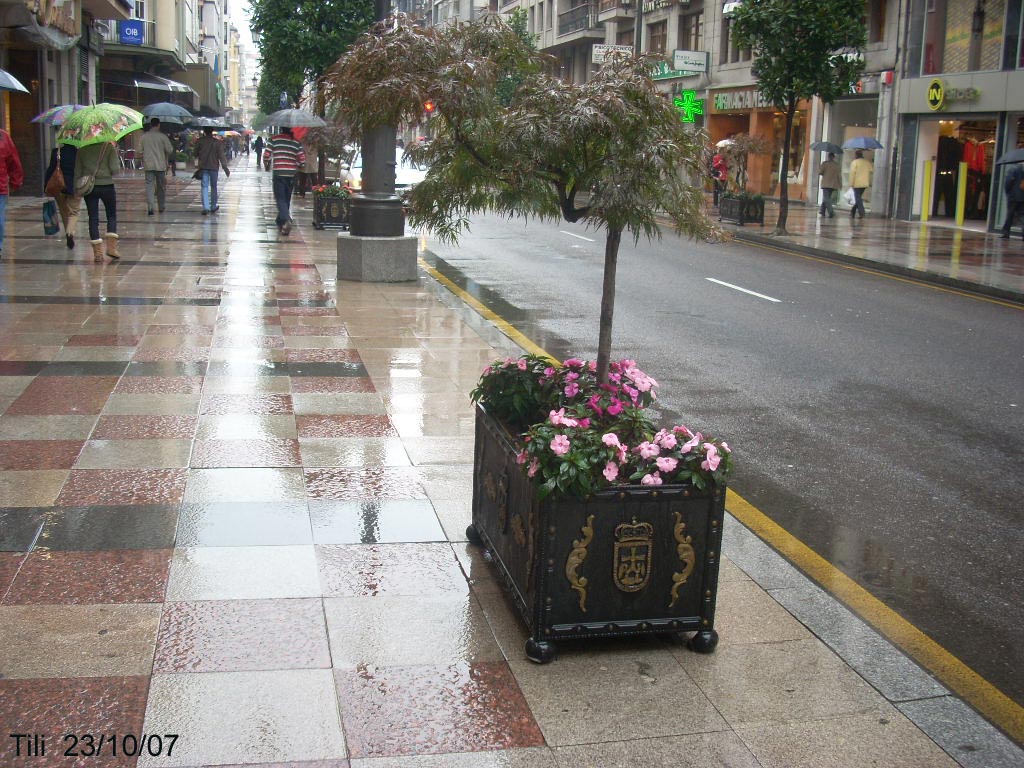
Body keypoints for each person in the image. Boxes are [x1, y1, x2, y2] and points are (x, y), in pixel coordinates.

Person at [75, 140, 121, 261]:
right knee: (111, 216)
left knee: (93, 218)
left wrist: (77, 190)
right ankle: (111, 248)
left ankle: (98, 254)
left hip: (90, 188)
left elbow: (77, 173)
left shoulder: (82, 150)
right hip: (107, 186)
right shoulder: (108, 148)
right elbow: (115, 169)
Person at [268, 126, 304, 235]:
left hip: (279, 174)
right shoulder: (296, 142)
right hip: (291, 175)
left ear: (281, 128)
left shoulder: (274, 139)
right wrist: (296, 165)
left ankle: (286, 219)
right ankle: (281, 222)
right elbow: (302, 161)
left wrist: (267, 163)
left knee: (280, 199)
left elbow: (266, 155)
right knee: (286, 199)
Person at [44, 136, 79, 248]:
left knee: (64, 212)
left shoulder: (56, 152)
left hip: (59, 187)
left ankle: (68, 234)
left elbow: (50, 169)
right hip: (74, 187)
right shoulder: (78, 153)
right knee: (73, 212)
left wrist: (46, 186)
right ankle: (70, 232)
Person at [140, 118, 176, 215]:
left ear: (151, 125)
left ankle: (150, 207)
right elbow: (170, 150)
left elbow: (140, 150)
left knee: (149, 186)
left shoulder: (144, 137)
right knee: (161, 187)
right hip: (160, 166)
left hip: (148, 165)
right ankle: (161, 206)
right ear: (158, 125)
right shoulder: (163, 137)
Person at [195, 127, 230, 215]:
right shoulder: (217, 142)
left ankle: (206, 207)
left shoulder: (200, 141)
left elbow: (195, 153)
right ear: (212, 132)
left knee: (204, 186)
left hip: (203, 166)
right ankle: (213, 206)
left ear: (204, 132)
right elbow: (221, 156)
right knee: (214, 187)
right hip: (214, 167)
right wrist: (225, 168)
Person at [0, 128, 23, 258]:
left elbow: (14, 162)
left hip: (0, 188)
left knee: (0, 222)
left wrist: (15, 181)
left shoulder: (4, 137)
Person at [1000, 162, 1024, 240]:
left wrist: (1008, 192)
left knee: (1010, 214)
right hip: (1022, 196)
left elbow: (1008, 181)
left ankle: (1006, 233)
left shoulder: (1013, 168)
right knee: (1022, 215)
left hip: (1013, 196)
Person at [849, 150, 872, 219]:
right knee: (858, 198)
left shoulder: (854, 162)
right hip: (865, 183)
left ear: (856, 155)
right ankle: (853, 211)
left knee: (858, 198)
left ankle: (862, 213)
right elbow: (871, 170)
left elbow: (852, 174)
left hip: (857, 183)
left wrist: (851, 184)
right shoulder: (867, 162)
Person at [818, 152, 841, 219]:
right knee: (827, 198)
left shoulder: (825, 164)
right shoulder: (836, 165)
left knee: (826, 198)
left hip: (826, 184)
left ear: (828, 157)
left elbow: (820, 172)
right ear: (833, 157)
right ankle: (822, 211)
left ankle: (831, 212)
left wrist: (821, 169)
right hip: (833, 184)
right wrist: (840, 184)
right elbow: (839, 176)